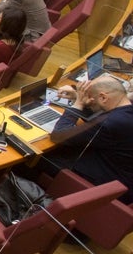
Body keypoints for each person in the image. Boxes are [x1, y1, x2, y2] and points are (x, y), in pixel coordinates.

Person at [44, 75, 133, 203]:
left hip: (106, 184)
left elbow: (58, 136)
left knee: (42, 157)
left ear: (103, 97)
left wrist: (78, 104)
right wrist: (78, 96)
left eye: (92, 98)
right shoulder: (125, 110)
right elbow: (101, 114)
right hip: (121, 175)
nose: (90, 101)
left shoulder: (109, 123)